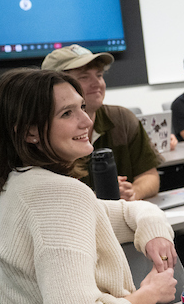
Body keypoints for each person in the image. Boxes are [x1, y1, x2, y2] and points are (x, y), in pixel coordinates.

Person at [0, 68, 179, 304]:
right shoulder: (58, 196)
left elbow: (127, 212)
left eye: (81, 108)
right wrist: (146, 295)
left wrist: (153, 229)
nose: (86, 120)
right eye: (67, 113)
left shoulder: (6, 194)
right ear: (28, 131)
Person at [42, 44, 165, 201]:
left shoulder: (122, 119)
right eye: (84, 77)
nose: (97, 83)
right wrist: (98, 200)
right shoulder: (45, 132)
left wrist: (132, 193)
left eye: (99, 75)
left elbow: (149, 175)